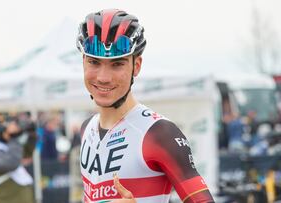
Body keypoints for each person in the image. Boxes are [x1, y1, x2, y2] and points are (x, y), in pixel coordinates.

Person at [76, 9, 215, 202]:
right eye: (94, 62)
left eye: (117, 64)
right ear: (83, 62)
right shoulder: (86, 129)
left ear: (137, 66)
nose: (103, 77)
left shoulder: (159, 133)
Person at [0, 118, 34, 203]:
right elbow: (11, 163)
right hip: (7, 197)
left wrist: (30, 132)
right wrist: (13, 137)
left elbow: (27, 154)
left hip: (19, 195)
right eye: (0, 124)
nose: (6, 126)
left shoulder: (6, 144)